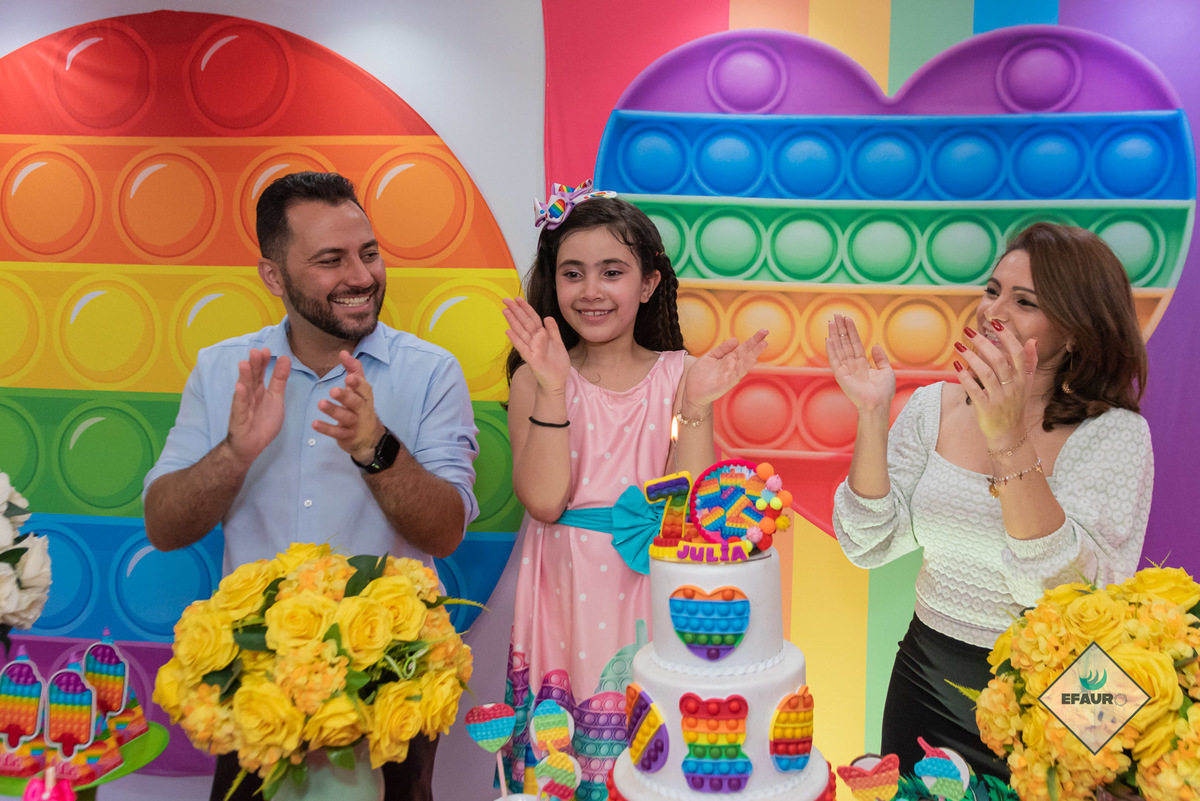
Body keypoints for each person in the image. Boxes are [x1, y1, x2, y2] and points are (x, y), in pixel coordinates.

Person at [142, 171, 478, 801]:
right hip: (255, 690)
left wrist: (376, 449)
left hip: (392, 687)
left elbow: (445, 532)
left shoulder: (431, 373)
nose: (361, 276)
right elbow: (164, 526)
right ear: (274, 276)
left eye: (368, 253)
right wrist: (236, 453)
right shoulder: (224, 370)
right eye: (331, 260)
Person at [827, 222, 1153, 779]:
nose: (992, 311)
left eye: (1025, 301)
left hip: (1062, 694)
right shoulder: (934, 406)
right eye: (992, 290)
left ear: (1075, 331)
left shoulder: (1115, 434)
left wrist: (1006, 437)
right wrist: (872, 414)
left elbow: (1066, 592)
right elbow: (868, 544)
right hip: (927, 677)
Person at [500, 182, 767, 793]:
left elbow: (691, 511)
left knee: (649, 758)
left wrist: (695, 408)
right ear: (553, 283)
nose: (591, 290)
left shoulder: (679, 373)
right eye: (572, 273)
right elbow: (544, 501)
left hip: (650, 583)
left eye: (612, 272)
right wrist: (552, 386)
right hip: (562, 584)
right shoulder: (535, 379)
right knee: (565, 764)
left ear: (647, 284)